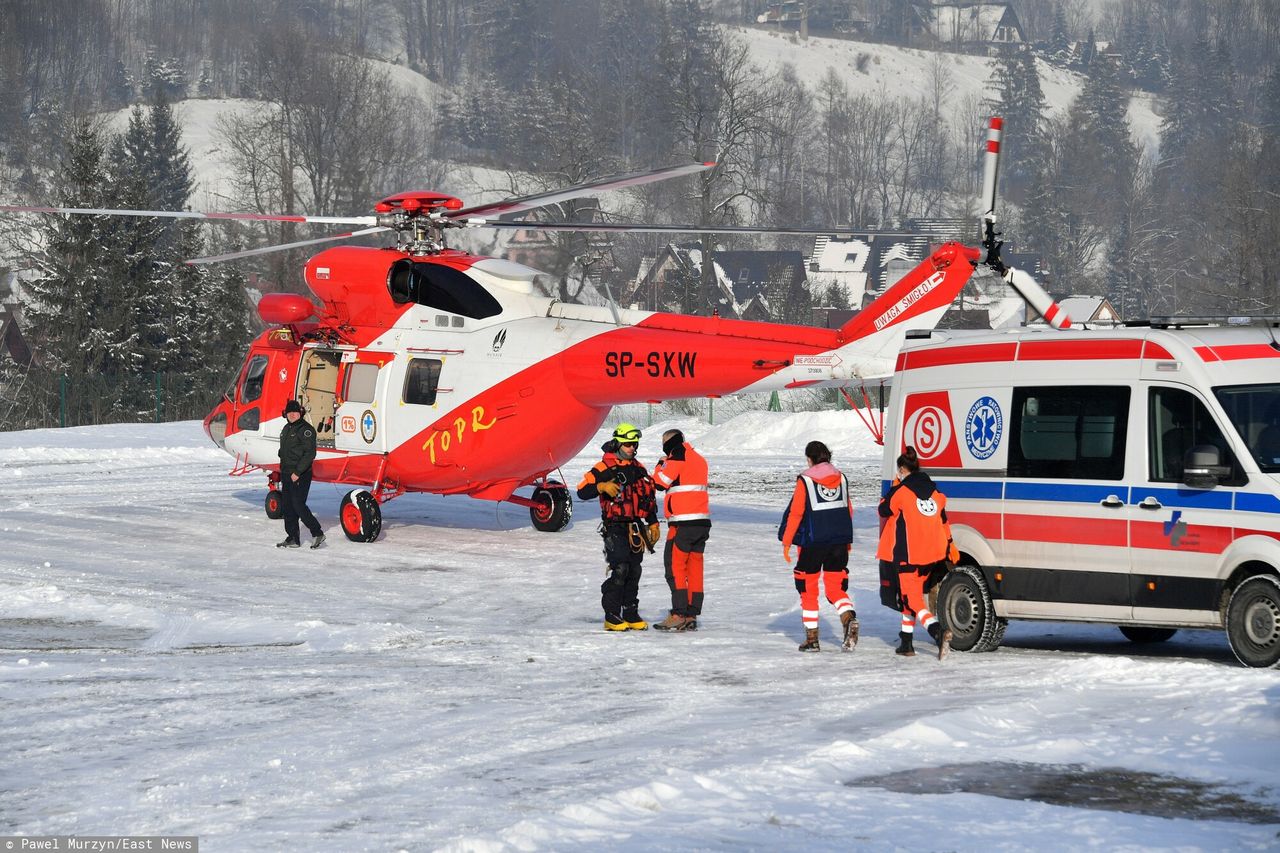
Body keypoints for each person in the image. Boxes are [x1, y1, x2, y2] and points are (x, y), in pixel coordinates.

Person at [576, 423, 660, 631]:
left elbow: (646, 497)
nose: (632, 447)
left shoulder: (638, 468)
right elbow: (581, 491)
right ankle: (612, 615)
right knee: (620, 569)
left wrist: (653, 522)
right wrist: (601, 486)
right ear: (617, 443)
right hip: (614, 527)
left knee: (634, 570)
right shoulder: (604, 467)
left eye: (635, 444)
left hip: (635, 527)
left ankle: (630, 612)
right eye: (628, 443)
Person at [877, 446, 957, 659]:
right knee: (909, 596)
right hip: (931, 555)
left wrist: (894, 486)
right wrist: (951, 546)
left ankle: (937, 632)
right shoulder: (935, 493)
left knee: (912, 600)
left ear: (902, 469)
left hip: (908, 554)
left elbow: (883, 509)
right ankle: (906, 643)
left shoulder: (901, 492)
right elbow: (944, 521)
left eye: (899, 471)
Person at [781, 440, 857, 653]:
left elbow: (796, 513)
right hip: (839, 541)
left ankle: (812, 639)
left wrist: (787, 542)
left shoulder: (805, 480)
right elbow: (848, 510)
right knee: (835, 587)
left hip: (813, 543)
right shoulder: (842, 478)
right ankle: (848, 617)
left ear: (810, 459)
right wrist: (847, 542)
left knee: (808, 587)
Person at [651, 429, 710, 632]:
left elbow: (659, 483)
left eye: (663, 441)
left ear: (670, 441)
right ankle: (692, 614)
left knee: (674, 568)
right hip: (701, 523)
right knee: (695, 569)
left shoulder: (677, 457)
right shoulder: (699, 459)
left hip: (682, 524)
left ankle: (678, 613)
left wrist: (660, 464)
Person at [278, 398, 325, 549]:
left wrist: (297, 472)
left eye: (295, 412)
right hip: (286, 472)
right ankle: (293, 538)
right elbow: (286, 449)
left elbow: (310, 453)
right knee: (287, 507)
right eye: (289, 412)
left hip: (300, 474)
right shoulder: (286, 428)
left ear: (300, 413)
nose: (292, 415)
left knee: (298, 505)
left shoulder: (306, 430)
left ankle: (317, 533)